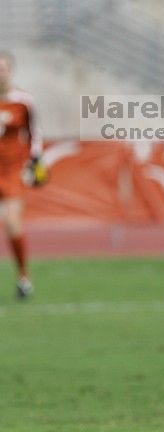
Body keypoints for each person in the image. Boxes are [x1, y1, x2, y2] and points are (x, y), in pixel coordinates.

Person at [0, 50, 47, 299]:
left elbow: (34, 132)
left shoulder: (23, 101)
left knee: (12, 222)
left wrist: (36, 160)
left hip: (12, 170)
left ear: (11, 71)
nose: (0, 72)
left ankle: (23, 277)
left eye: (3, 68)